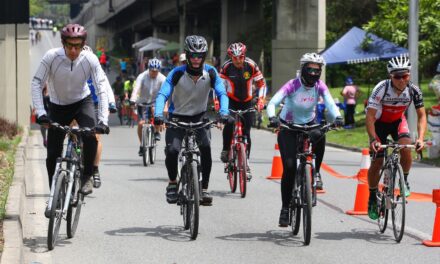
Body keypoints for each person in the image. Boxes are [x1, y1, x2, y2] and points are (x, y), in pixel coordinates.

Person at [31, 24, 110, 209]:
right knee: (52, 155)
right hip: (57, 107)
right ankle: (54, 194)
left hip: (82, 102)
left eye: (78, 46)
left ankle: (87, 176)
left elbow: (101, 88)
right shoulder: (51, 56)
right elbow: (36, 83)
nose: (73, 50)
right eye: (69, 46)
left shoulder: (90, 58)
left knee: (91, 136)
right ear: (63, 43)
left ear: (83, 44)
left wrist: (103, 120)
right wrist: (41, 112)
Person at [266, 53, 343, 227]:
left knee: (321, 134)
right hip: (288, 126)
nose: (314, 74)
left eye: (318, 70)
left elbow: (330, 103)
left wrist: (337, 116)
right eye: (311, 69)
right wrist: (272, 117)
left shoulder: (319, 86)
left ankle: (315, 172)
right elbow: (273, 103)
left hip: (309, 124)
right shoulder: (292, 85)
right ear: (303, 69)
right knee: (290, 167)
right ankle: (285, 208)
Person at [154, 35, 229, 206]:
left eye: (200, 56)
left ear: (204, 56)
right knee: (172, 151)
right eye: (193, 56)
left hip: (199, 117)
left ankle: (204, 188)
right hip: (177, 118)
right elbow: (162, 95)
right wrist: (158, 115)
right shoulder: (176, 73)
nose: (196, 59)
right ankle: (173, 183)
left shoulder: (210, 72)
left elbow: (221, 93)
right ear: (187, 56)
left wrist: (223, 113)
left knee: (206, 148)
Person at [366, 55, 426, 220]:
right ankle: (372, 196)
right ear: (390, 76)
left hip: (398, 122)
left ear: (409, 75)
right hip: (379, 124)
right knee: (377, 161)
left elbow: (422, 115)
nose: (401, 80)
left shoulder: (413, 90)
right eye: (396, 76)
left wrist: (420, 138)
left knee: (406, 149)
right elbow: (370, 116)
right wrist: (373, 139)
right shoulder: (381, 88)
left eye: (404, 76)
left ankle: (404, 180)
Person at [219, 42, 267, 178]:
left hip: (247, 101)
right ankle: (225, 149)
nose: (238, 61)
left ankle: (246, 164)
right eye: (234, 58)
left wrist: (261, 100)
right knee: (229, 123)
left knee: (246, 134)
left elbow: (261, 84)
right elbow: (219, 87)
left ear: (244, 56)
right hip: (231, 101)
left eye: (240, 57)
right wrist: (218, 103)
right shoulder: (226, 67)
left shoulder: (251, 65)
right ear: (230, 57)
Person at [130, 58, 166, 156]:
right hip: (142, 102)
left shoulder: (162, 78)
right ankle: (142, 144)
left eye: (156, 71)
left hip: (155, 102)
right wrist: (133, 100)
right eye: (152, 71)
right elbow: (136, 89)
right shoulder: (142, 76)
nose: (154, 73)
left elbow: (165, 93)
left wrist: (165, 106)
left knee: (155, 112)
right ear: (149, 69)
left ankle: (157, 131)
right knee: (141, 124)